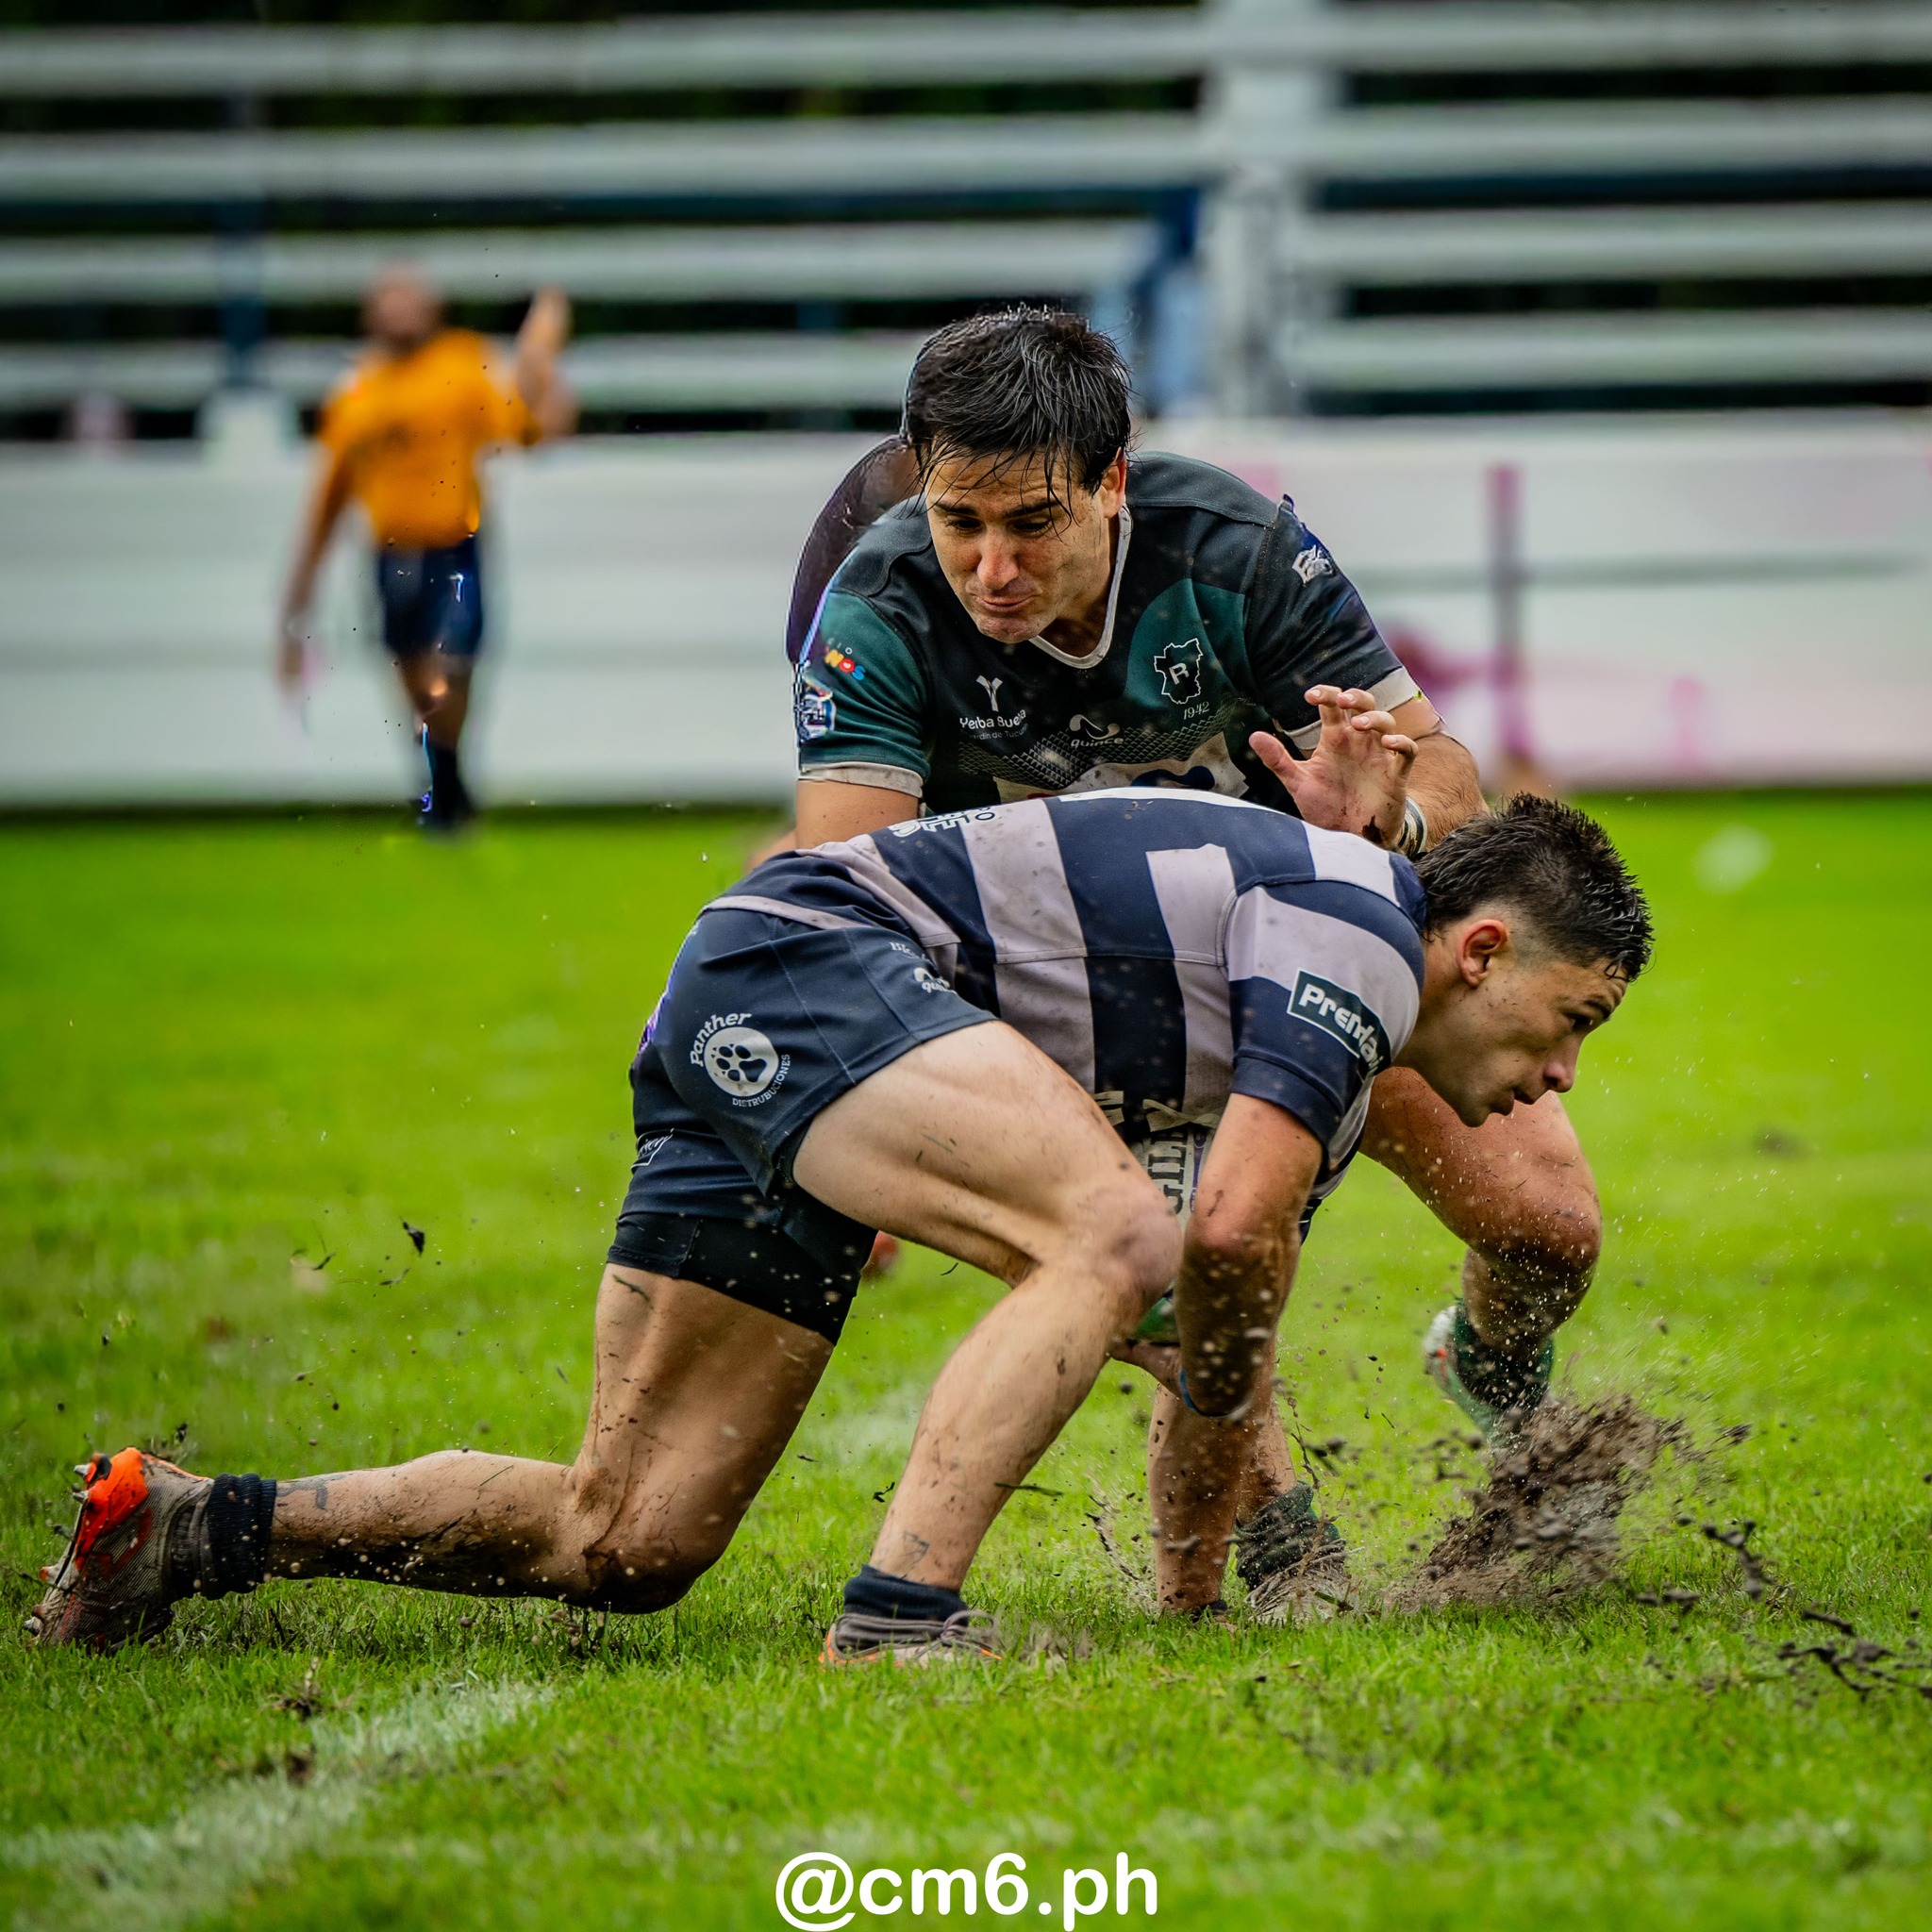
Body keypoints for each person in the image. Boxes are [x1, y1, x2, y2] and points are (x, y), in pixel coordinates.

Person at [27, 784, 1649, 1657]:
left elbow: (1209, 1309)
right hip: (805, 961)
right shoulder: (1360, 934)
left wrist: (1201, 1596)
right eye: (1570, 1021)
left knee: (628, 1537)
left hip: (776, 995)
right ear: (1482, 950)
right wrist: (1259, 1491)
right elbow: (1212, 1251)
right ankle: (897, 1622)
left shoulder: (1338, 1037)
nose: (1557, 1074)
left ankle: (183, 1522)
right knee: (1128, 1245)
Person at [779, 309, 1606, 1573]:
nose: (991, 567)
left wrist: (1395, 812)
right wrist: (876, 1095)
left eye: (1033, 524)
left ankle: (1486, 1361)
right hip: (1073, 1022)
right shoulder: (879, 607)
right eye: (963, 523)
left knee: (1550, 1225)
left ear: (1112, 486)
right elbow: (848, 889)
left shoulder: (1235, 551)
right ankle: (1271, 1551)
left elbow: (1450, 773)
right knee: (1187, 1263)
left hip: (1309, 962)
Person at [275, 268, 575, 830]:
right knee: (414, 677)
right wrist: (298, 596)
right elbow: (328, 499)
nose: (399, 310)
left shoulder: (461, 365)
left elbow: (528, 430)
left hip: (454, 545)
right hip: (390, 553)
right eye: (388, 298)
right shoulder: (357, 391)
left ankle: (447, 783)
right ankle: (445, 780)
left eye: (409, 298)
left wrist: (541, 370)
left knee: (453, 664)